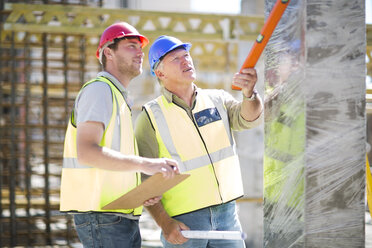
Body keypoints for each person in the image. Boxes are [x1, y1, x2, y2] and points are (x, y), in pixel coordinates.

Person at [135, 35, 263, 248]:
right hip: (184, 221)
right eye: (175, 59)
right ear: (160, 72)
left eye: (186, 55)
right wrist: (165, 223)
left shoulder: (217, 99)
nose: (185, 60)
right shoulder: (150, 116)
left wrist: (250, 94)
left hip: (227, 215)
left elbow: (248, 118)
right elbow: (144, 179)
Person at [59, 23, 178, 248]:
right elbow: (87, 152)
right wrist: (148, 165)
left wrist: (141, 192)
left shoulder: (119, 97)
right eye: (131, 46)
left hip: (118, 216)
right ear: (108, 52)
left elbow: (114, 162)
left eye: (140, 48)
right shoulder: (99, 90)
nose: (140, 52)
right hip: (102, 217)